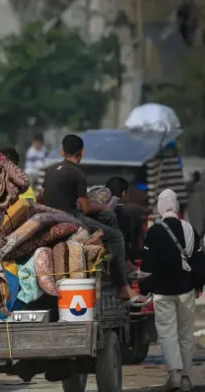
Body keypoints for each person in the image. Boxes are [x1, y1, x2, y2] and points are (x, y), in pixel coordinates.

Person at [40, 134, 149, 305]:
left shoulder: (51, 170)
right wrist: (102, 206)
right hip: (72, 218)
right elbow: (86, 208)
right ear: (81, 153)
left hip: (52, 216)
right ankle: (122, 285)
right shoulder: (77, 174)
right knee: (116, 236)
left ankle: (126, 265)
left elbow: (41, 196)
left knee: (108, 216)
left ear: (62, 151)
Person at [141, 189, 201, 392]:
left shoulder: (155, 231)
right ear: (176, 206)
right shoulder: (190, 228)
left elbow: (148, 264)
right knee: (186, 333)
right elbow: (198, 260)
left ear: (159, 207)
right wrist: (199, 284)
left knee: (167, 333)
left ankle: (173, 376)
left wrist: (145, 288)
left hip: (162, 291)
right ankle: (186, 379)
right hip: (186, 289)